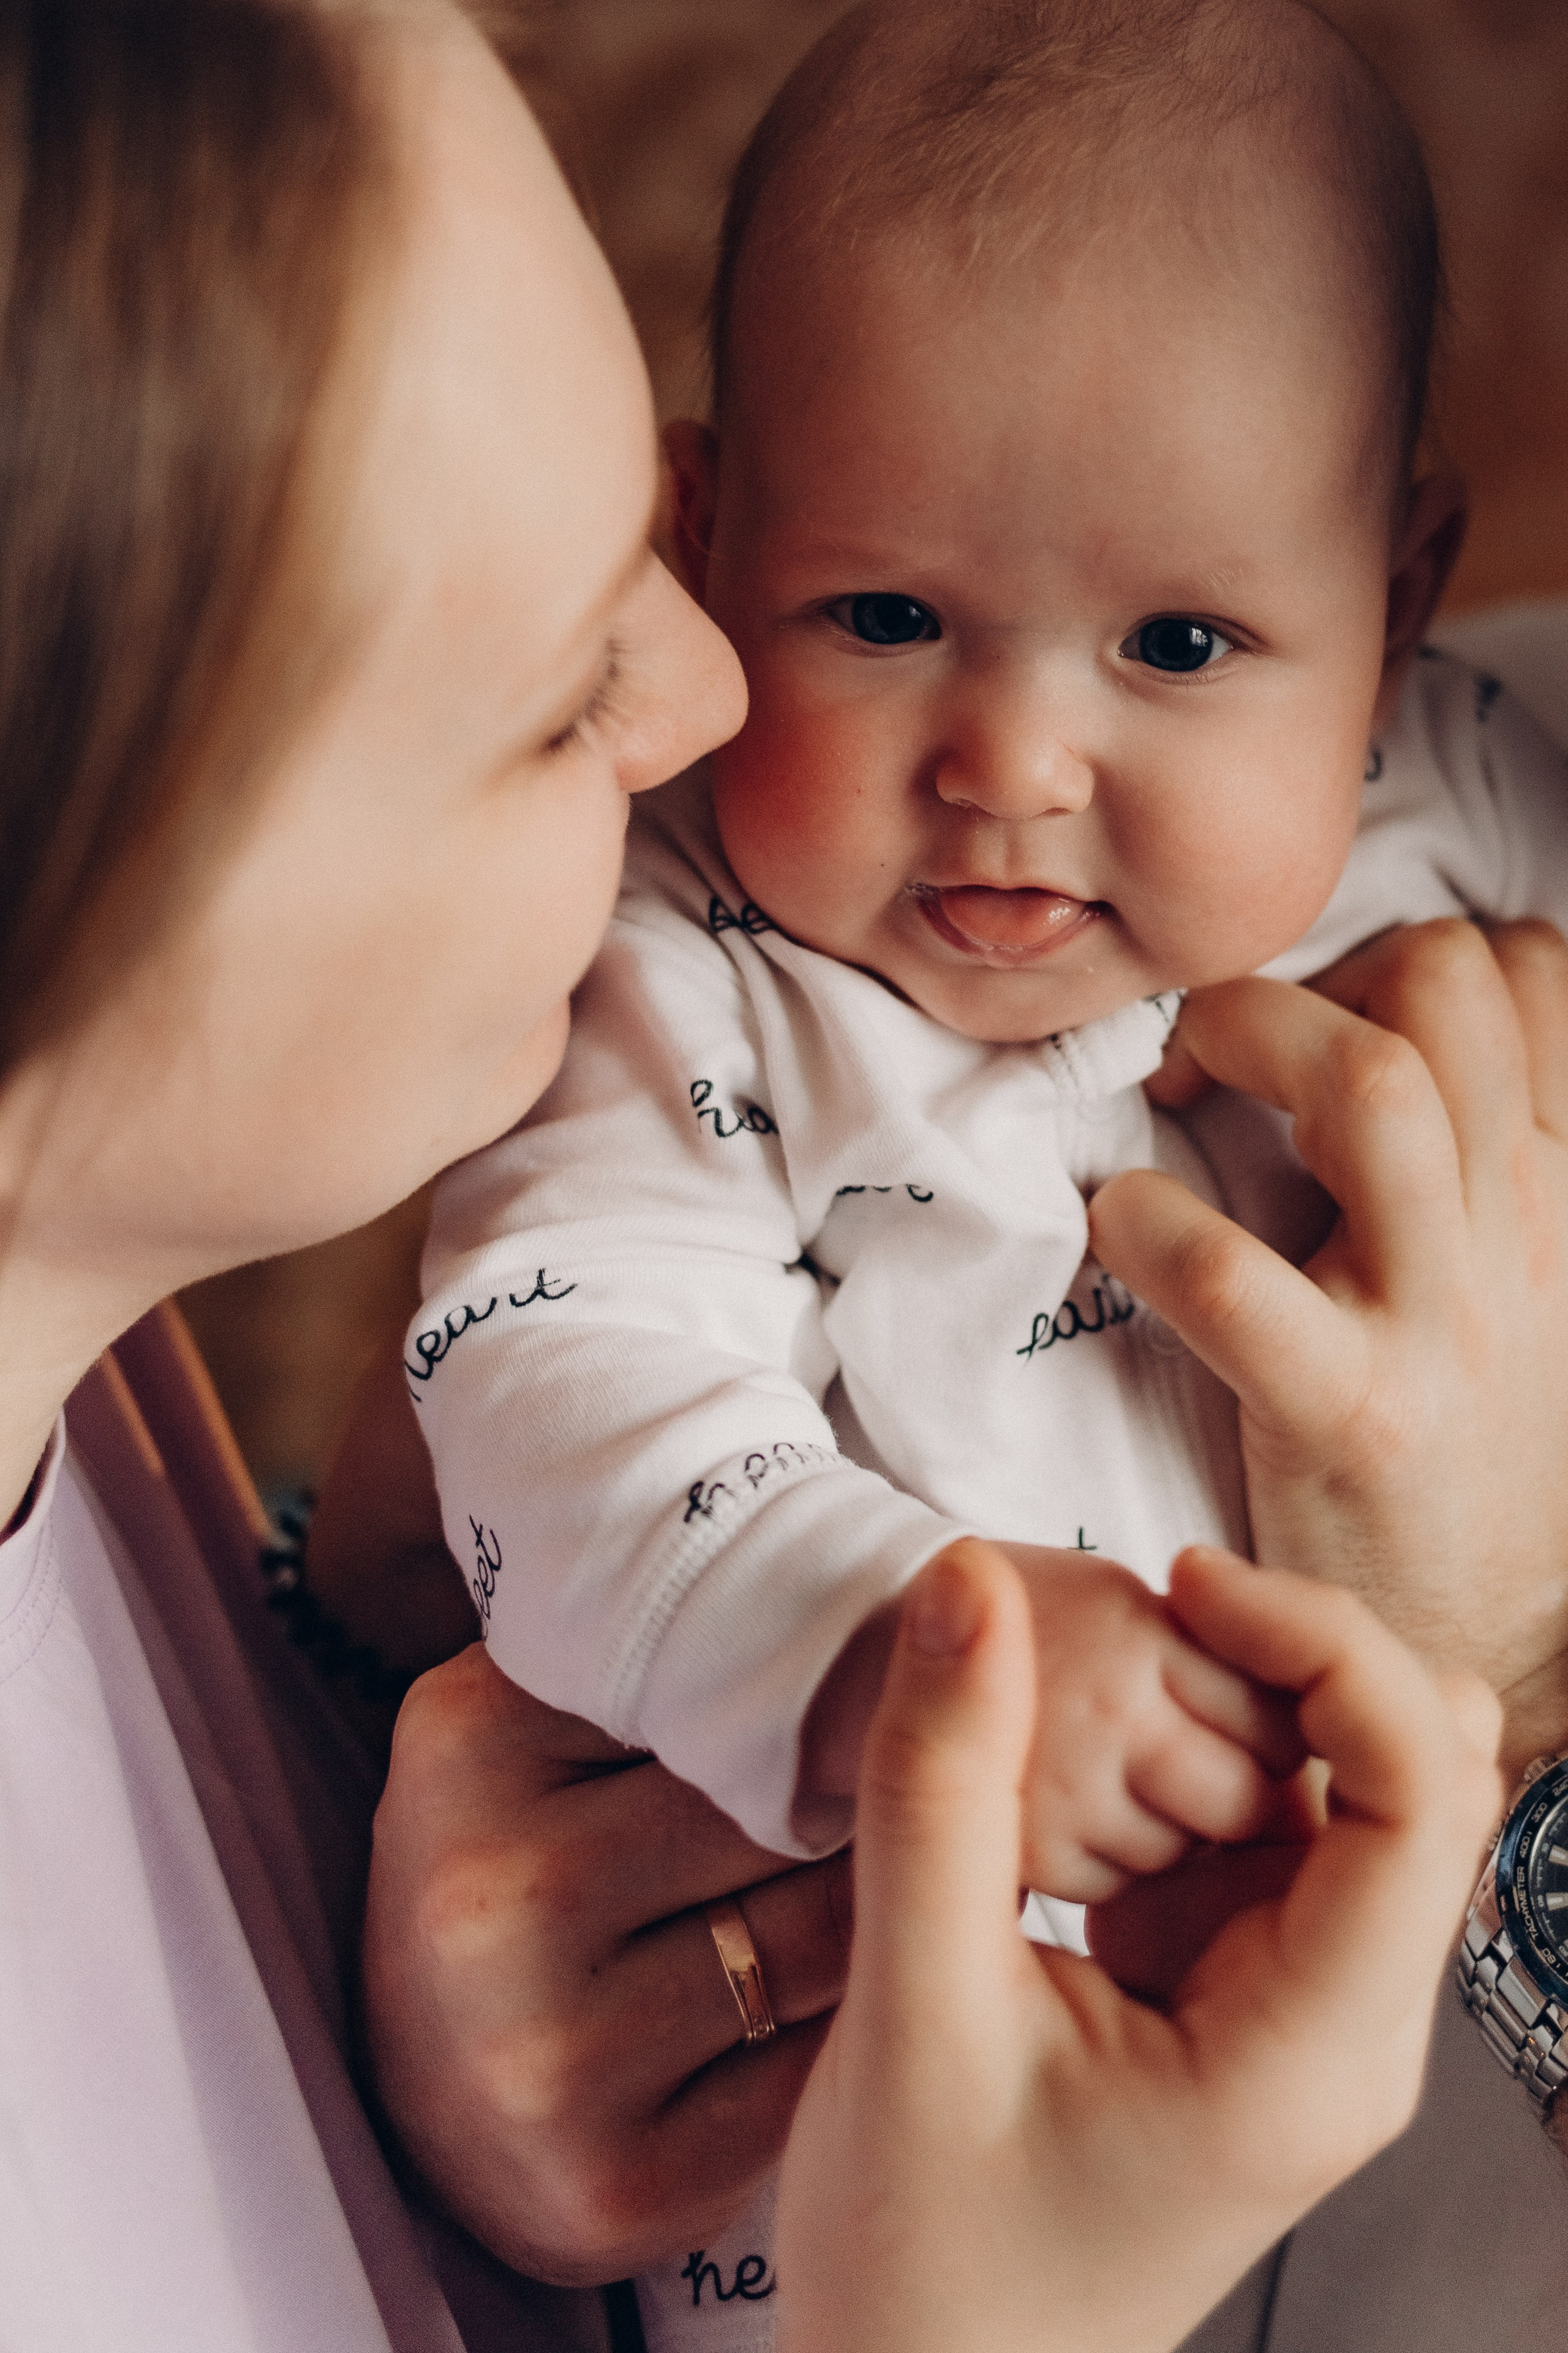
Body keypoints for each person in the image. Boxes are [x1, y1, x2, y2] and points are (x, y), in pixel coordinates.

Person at [0, 4, 1548, 2352]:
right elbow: (563, 1366)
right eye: (875, 613)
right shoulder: (698, 968)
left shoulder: (1472, 789)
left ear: (1394, 593)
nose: (704, 709)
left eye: (1185, 642)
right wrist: (918, 1667)